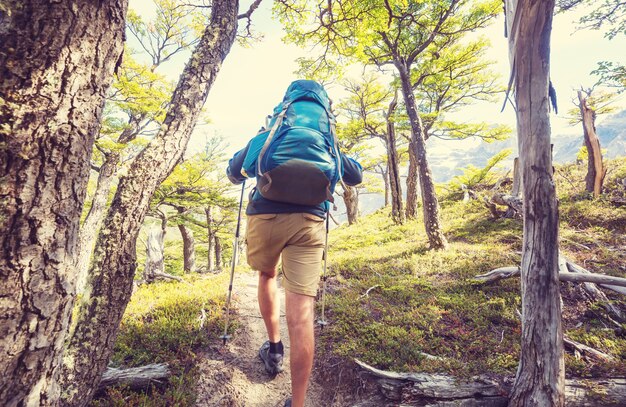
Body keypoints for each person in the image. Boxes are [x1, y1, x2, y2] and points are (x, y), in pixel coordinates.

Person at [226, 80, 362, 407]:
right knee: (302, 314)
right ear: (322, 111)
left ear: (285, 106)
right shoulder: (326, 137)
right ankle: (299, 403)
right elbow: (354, 175)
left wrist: (261, 139)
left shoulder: (272, 131)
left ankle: (273, 349)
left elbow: (234, 171)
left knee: (267, 276)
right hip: (310, 223)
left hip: (266, 217)